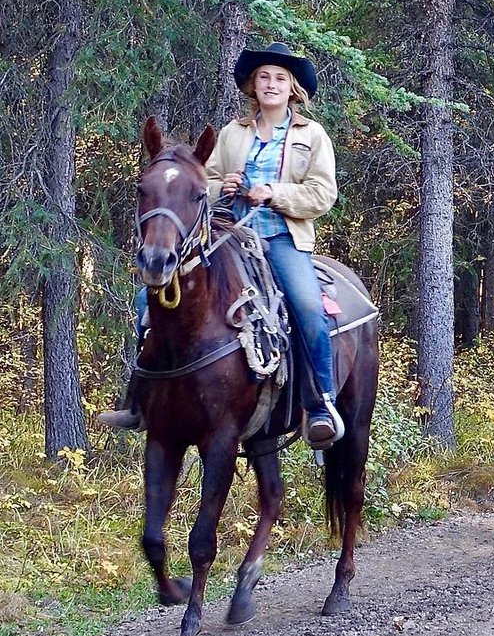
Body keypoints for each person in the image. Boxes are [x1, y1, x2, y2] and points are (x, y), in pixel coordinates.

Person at [99, 41, 346, 449]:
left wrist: (273, 192)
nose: (271, 84)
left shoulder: (311, 136)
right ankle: (140, 398)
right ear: (253, 85)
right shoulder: (233, 133)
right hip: (228, 235)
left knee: (307, 307)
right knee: (149, 301)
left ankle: (320, 404)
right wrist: (221, 186)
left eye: (279, 78)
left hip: (283, 237)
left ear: (292, 89)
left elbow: (323, 194)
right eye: (264, 77)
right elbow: (200, 184)